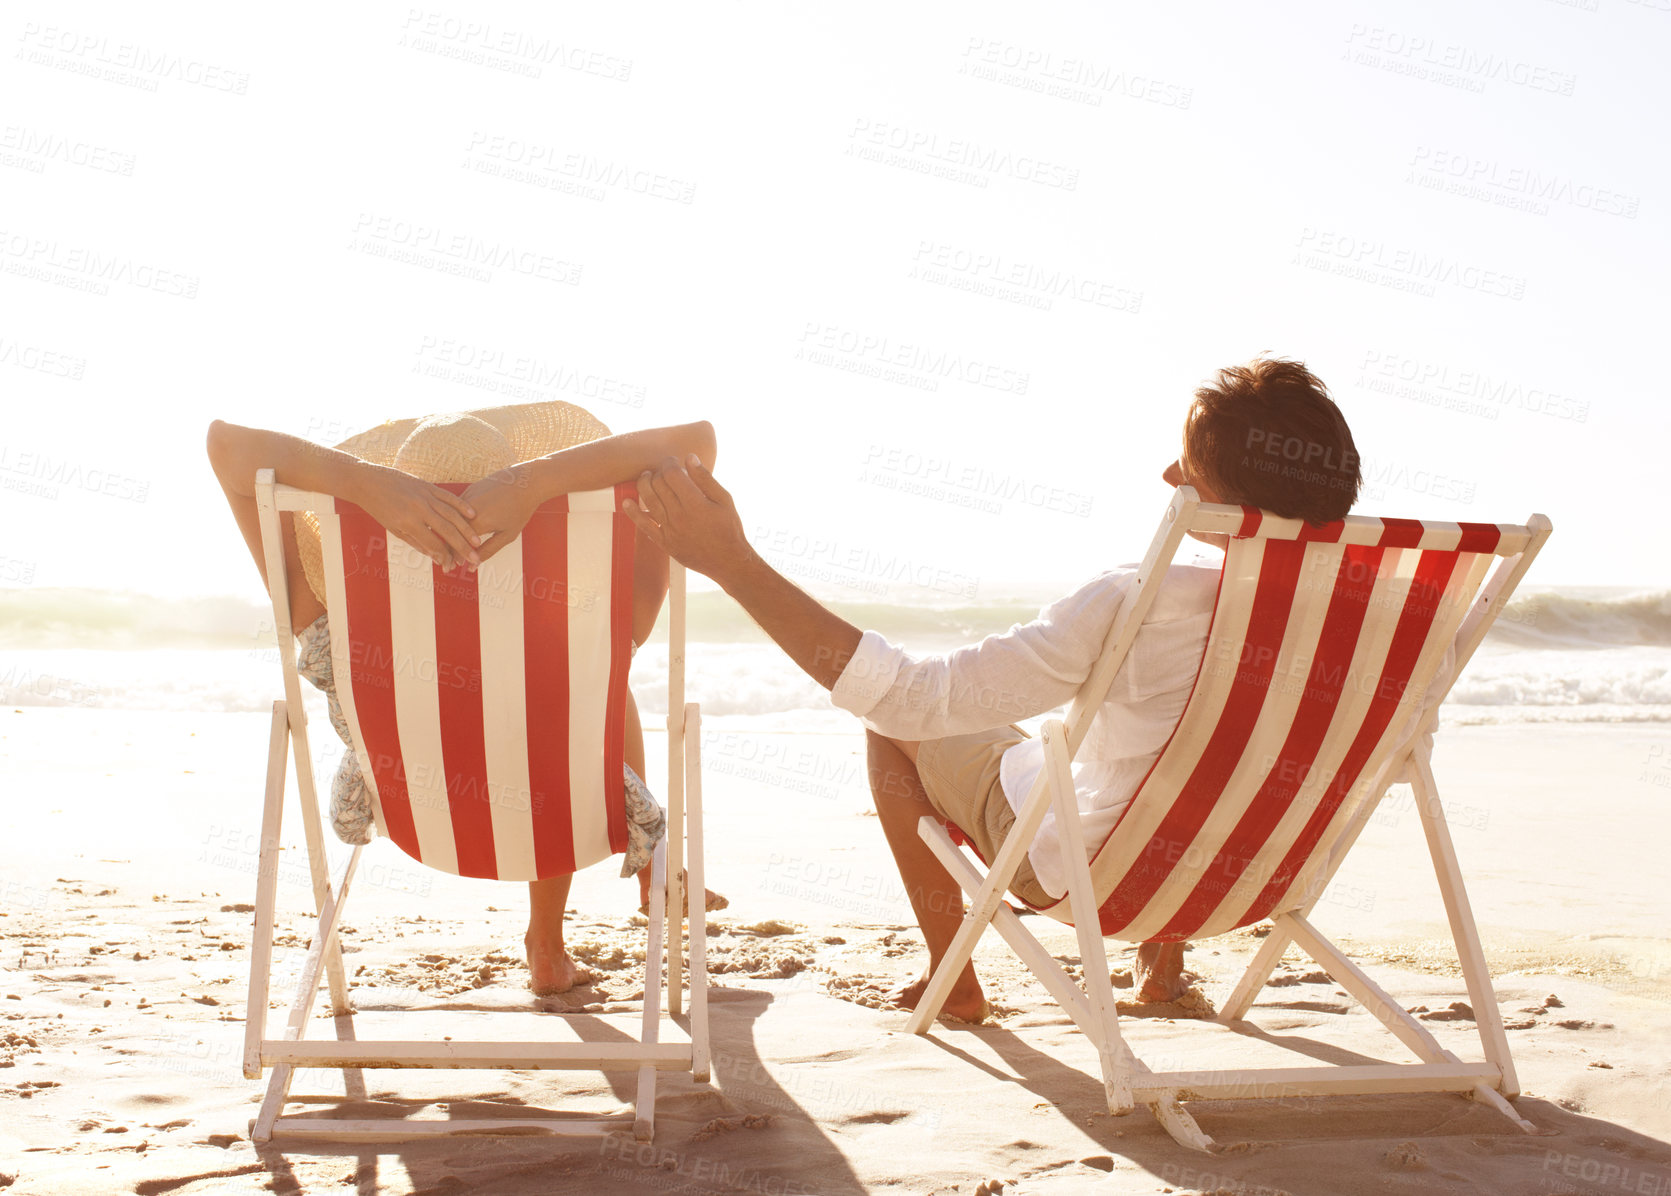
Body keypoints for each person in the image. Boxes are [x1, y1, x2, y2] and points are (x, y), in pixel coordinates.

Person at [622, 357, 1363, 1021]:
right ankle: (1162, 966)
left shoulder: (1141, 599)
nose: (1170, 477)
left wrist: (734, 564)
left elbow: (912, 699)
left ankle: (954, 977)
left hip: (1103, 881)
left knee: (894, 729)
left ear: (1232, 496)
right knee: (1187, 744)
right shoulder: (1391, 611)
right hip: (1262, 880)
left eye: (1189, 464)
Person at [206, 402, 724, 995]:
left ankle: (569, 935)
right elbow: (695, 446)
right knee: (596, 687)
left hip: (416, 808)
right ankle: (563, 936)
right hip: (559, 806)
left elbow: (224, 446)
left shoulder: (334, 630)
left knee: (575, 694)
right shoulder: (585, 625)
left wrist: (365, 484)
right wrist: (536, 482)